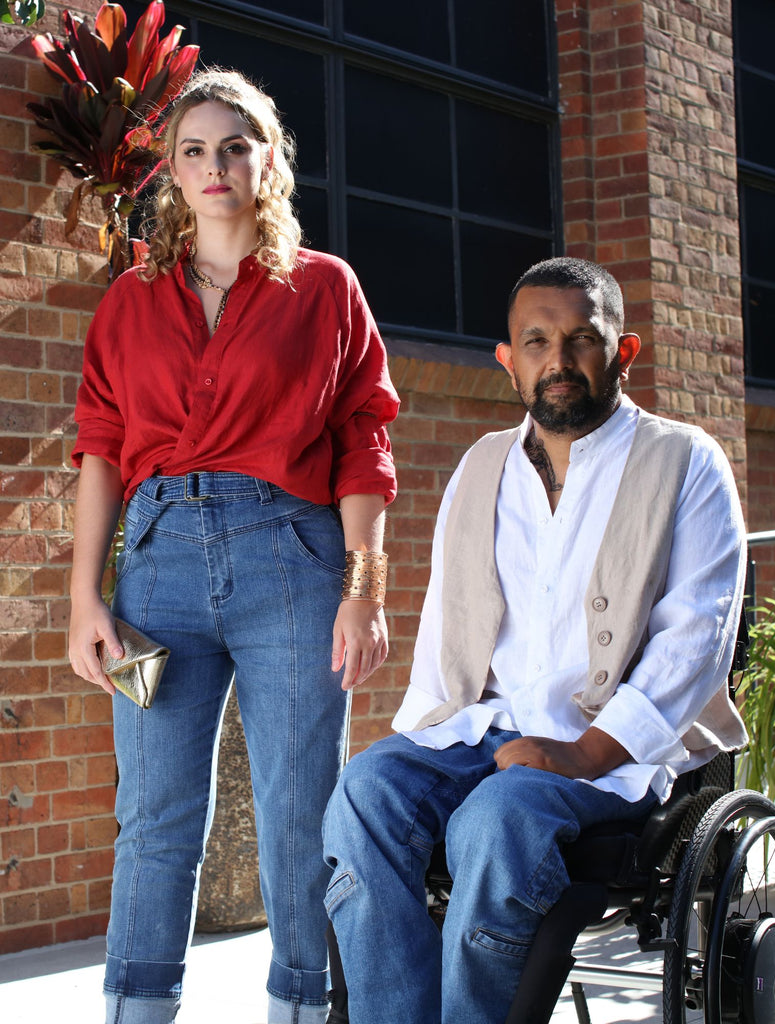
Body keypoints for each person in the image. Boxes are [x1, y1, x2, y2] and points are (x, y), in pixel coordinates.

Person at [322, 257, 747, 1024]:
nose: (557, 361)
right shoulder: (481, 464)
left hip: (612, 751)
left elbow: (695, 642)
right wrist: (423, 742)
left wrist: (583, 753)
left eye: (581, 339)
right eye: (536, 341)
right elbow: (450, 623)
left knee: (496, 820)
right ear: (507, 359)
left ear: (623, 352)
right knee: (365, 792)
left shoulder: (684, 462)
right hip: (484, 730)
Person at [68, 69, 399, 1024]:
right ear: (171, 172)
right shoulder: (131, 299)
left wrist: (363, 589)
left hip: (290, 568)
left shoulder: (326, 289)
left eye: (236, 145)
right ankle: (137, 1009)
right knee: (154, 821)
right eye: (195, 150)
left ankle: (298, 1008)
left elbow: (363, 441)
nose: (216, 166)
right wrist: (88, 601)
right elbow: (98, 448)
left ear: (269, 159)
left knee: (301, 817)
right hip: (154, 574)